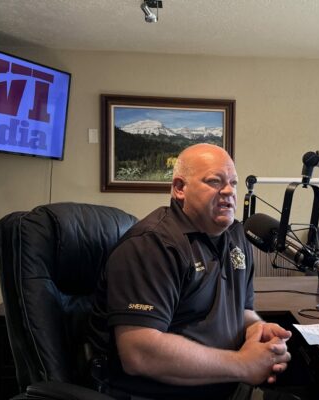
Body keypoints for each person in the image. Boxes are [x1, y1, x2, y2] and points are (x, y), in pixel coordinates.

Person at [90, 143, 295, 400]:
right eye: (214, 181)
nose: (229, 191)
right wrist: (243, 365)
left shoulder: (237, 236)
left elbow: (241, 310)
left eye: (233, 182)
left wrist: (257, 329)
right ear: (180, 188)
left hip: (225, 386)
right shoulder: (152, 245)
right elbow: (139, 352)